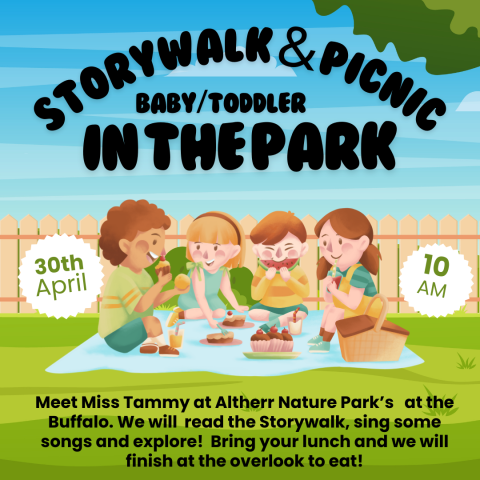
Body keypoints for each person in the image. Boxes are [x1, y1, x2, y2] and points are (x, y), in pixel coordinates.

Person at [98, 200, 189, 356]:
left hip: (133, 329)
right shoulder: (121, 277)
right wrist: (159, 284)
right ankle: (163, 347)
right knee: (152, 322)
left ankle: (148, 341)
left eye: (160, 243)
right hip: (116, 335)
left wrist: (174, 290)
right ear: (126, 246)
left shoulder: (144, 274)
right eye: (153, 241)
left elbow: (150, 302)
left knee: (149, 320)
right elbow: (140, 307)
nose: (160, 250)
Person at [309, 208, 382, 353]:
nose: (329, 248)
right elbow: (329, 299)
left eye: (340, 241)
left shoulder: (359, 271)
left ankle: (325, 343)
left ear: (362, 243)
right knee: (330, 308)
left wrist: (335, 290)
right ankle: (321, 335)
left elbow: (353, 304)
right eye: (325, 242)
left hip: (367, 312)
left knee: (336, 312)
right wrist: (327, 286)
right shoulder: (336, 270)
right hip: (351, 309)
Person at [167, 211, 249, 329]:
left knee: (220, 313)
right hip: (191, 298)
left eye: (216, 247)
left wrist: (237, 306)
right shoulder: (198, 270)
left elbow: (227, 291)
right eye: (198, 246)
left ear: (234, 252)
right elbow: (199, 296)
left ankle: (197, 313)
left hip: (211, 298)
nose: (205, 255)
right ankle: (179, 314)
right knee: (203, 313)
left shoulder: (223, 270)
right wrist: (210, 320)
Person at [249, 211, 310, 332]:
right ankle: (281, 319)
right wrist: (266, 279)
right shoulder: (261, 271)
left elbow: (305, 293)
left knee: (301, 312)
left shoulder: (297, 270)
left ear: (303, 249)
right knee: (253, 312)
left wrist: (289, 280)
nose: (278, 256)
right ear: (257, 251)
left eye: (288, 249)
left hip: (293, 307)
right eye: (269, 250)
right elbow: (255, 296)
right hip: (267, 307)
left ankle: (273, 323)